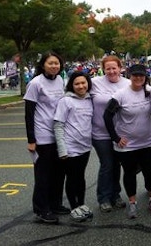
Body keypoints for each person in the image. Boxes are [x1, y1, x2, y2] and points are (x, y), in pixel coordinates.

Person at [103, 63, 151, 219]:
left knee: (150, 172)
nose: (138, 78)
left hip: (147, 142)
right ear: (129, 76)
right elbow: (107, 116)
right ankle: (132, 203)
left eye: (141, 75)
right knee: (129, 174)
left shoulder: (150, 92)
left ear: (145, 77)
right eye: (135, 75)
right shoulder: (120, 94)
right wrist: (115, 138)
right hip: (127, 145)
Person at [23, 52, 68, 223]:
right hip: (42, 136)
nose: (54, 66)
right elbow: (29, 113)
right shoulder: (35, 83)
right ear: (43, 65)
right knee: (43, 175)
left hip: (58, 134)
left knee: (58, 173)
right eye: (51, 63)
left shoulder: (60, 80)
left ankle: (55, 204)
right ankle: (42, 209)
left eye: (57, 63)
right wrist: (31, 140)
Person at [89, 55, 129, 213]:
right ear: (103, 69)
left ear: (120, 68)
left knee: (117, 164)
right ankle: (103, 197)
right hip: (100, 133)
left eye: (114, 68)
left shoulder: (128, 83)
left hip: (120, 133)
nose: (111, 71)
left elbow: (147, 93)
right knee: (107, 164)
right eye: (108, 68)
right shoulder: (95, 83)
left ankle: (115, 195)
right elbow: (76, 89)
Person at [53, 71, 94, 222]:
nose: (81, 86)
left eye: (83, 83)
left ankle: (82, 204)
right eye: (77, 84)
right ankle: (74, 207)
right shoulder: (66, 101)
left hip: (85, 147)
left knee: (80, 177)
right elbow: (58, 125)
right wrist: (62, 149)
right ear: (72, 85)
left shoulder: (90, 99)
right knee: (71, 178)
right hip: (70, 147)